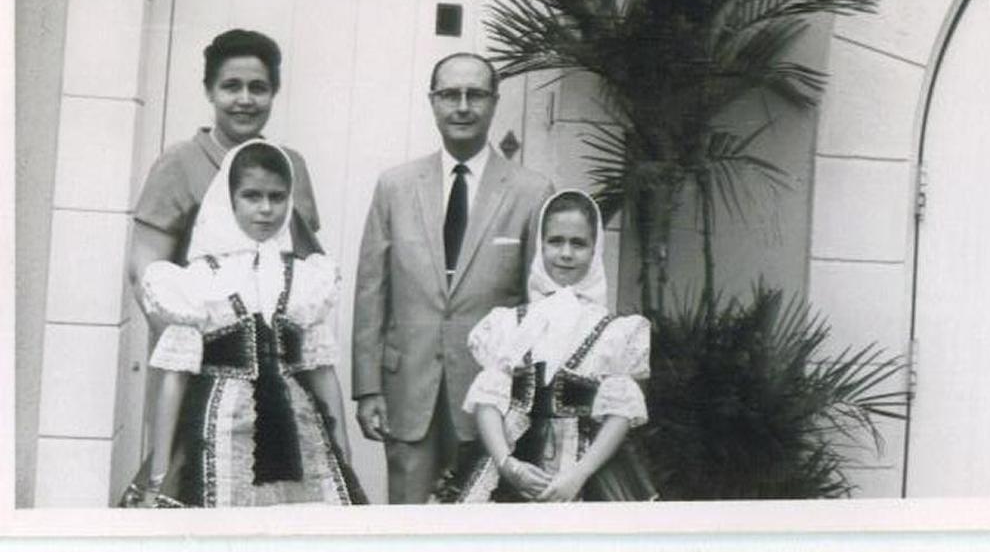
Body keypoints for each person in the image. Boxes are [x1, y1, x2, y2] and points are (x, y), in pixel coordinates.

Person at [122, 29, 323, 504]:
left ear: (274, 92)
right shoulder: (180, 163)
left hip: (276, 370)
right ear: (210, 91)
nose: (245, 99)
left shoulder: (287, 166)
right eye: (232, 86)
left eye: (259, 87)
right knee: (189, 480)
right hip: (200, 362)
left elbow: (305, 262)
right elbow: (143, 270)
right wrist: (200, 345)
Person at [352, 52, 553, 504]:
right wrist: (367, 389)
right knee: (405, 529)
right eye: (450, 95)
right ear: (433, 102)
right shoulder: (395, 187)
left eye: (475, 94)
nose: (462, 106)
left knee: (480, 522)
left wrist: (530, 403)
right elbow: (371, 292)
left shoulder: (530, 191)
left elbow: (538, 307)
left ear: (494, 102)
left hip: (491, 398)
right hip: (407, 390)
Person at [123, 140, 366, 507]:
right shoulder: (199, 282)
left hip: (297, 436)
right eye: (252, 196)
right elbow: (174, 380)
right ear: (230, 200)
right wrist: (158, 472)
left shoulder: (305, 280)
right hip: (218, 432)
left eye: (277, 197)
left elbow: (321, 370)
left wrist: (342, 445)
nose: (266, 209)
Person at [433, 190, 656, 503]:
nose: (565, 253)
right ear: (540, 246)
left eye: (578, 244)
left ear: (595, 250)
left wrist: (579, 474)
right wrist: (506, 464)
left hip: (587, 470)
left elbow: (620, 413)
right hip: (516, 463)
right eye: (555, 241)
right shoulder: (510, 324)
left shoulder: (615, 332)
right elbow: (488, 401)